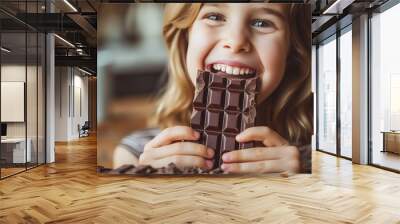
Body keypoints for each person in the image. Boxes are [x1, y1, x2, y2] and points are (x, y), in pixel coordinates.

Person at [113, 3, 312, 174]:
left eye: (262, 23)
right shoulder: (137, 154)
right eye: (214, 16)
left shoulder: (318, 157)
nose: (236, 42)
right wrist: (145, 180)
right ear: (185, 38)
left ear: (292, 50)